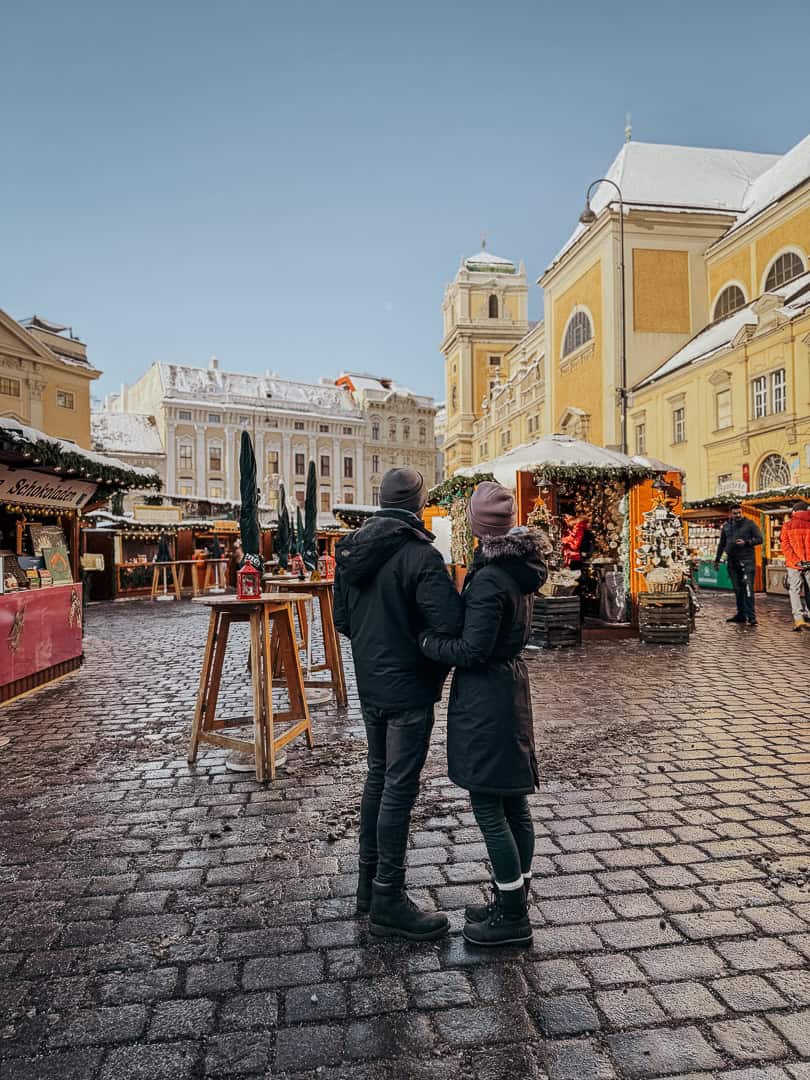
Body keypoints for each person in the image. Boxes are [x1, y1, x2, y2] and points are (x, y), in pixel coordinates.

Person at [333, 467, 463, 942]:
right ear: (417, 503)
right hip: (409, 687)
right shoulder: (420, 555)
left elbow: (342, 619)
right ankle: (389, 895)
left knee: (377, 776)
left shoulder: (351, 552)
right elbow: (448, 622)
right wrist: (420, 648)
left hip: (371, 684)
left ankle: (368, 885)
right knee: (399, 787)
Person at [419, 481, 548, 947]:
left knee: (489, 806)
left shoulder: (491, 577)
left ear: (478, 528)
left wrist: (430, 644)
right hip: (509, 689)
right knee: (513, 801)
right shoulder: (518, 568)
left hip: (487, 698)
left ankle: (512, 917)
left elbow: (472, 649)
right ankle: (511, 898)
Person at [714, 506, 763, 626]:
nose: (738, 515)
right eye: (735, 513)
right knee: (737, 589)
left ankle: (751, 617)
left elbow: (759, 539)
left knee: (747, 589)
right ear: (730, 514)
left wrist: (746, 543)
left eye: (739, 513)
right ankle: (741, 615)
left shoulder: (750, 524)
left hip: (747, 561)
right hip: (732, 561)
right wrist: (717, 560)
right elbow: (722, 544)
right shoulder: (726, 526)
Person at [780, 501, 810, 631]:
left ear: (794, 512)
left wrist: (796, 560)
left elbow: (785, 546)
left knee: (795, 590)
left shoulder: (787, 525)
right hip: (809, 563)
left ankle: (798, 619)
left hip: (794, 564)